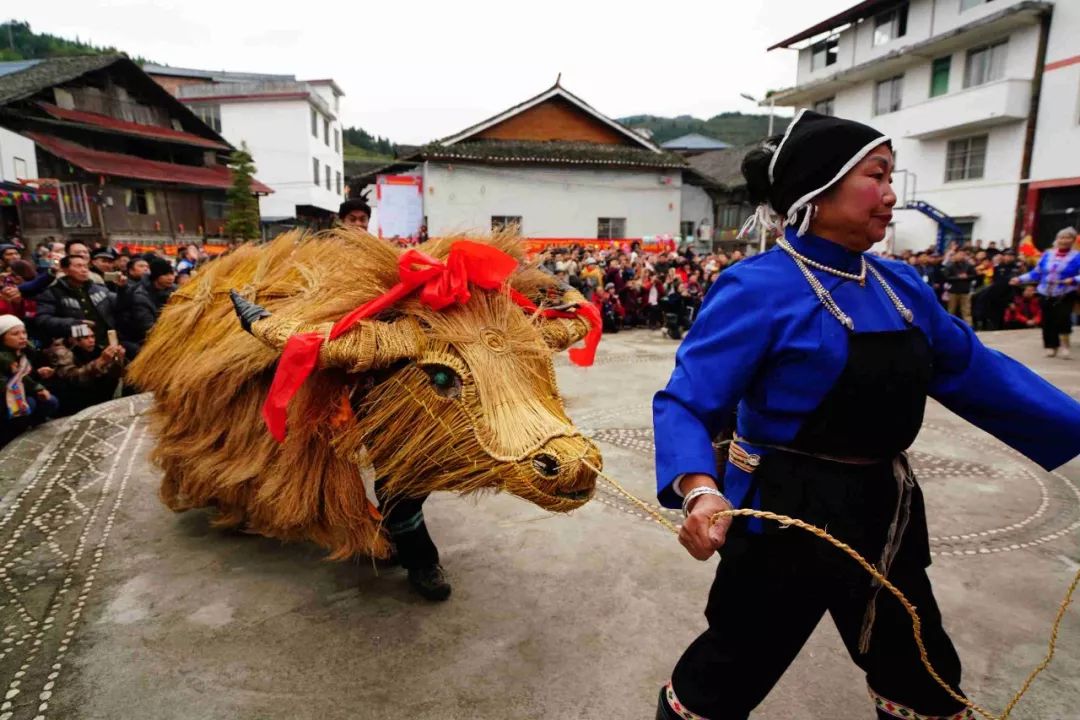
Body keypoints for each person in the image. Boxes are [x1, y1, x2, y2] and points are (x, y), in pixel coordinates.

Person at [652, 110, 1080, 720]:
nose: (891, 194)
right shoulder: (757, 286)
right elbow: (687, 402)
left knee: (920, 663)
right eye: (877, 175)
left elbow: (978, 372)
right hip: (785, 509)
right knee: (735, 660)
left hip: (885, 505)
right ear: (817, 192)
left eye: (890, 175)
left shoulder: (901, 285)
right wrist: (699, 490)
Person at [1011, 227, 1080, 357]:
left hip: (1065, 293)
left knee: (1063, 319)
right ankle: (1051, 346)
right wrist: (1019, 279)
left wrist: (1073, 279)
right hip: (1045, 292)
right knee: (1048, 320)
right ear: (1057, 239)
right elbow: (1037, 273)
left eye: (1068, 238)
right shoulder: (1048, 254)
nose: (1064, 240)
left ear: (1073, 240)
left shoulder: (1077, 257)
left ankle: (1065, 345)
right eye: (1061, 237)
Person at [0, 314, 59, 447]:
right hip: (5, 399)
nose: (22, 337)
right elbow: (9, 382)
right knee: (28, 404)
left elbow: (23, 377)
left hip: (22, 391)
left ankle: (32, 429)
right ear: (2, 338)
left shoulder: (23, 352)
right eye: (15, 334)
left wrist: (38, 374)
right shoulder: (4, 359)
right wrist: (36, 387)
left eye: (24, 332)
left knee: (50, 401)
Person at [35, 255, 117, 349]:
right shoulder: (52, 292)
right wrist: (73, 323)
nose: (84, 270)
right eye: (79, 266)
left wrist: (123, 288)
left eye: (86, 266)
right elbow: (42, 320)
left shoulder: (99, 289)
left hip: (105, 342)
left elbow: (120, 304)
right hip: (73, 345)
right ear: (65, 270)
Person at [43, 323, 125, 416]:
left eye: (93, 336)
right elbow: (74, 378)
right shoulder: (60, 352)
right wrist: (101, 361)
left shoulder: (98, 349)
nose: (91, 341)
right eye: (86, 338)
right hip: (72, 399)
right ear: (75, 340)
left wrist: (118, 361)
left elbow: (114, 376)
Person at [943, 249, 974, 324]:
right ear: (955, 255)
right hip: (953, 291)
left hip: (965, 291)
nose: (961, 256)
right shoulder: (950, 265)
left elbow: (974, 275)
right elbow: (946, 277)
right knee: (951, 310)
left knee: (966, 311)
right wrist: (958, 277)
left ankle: (969, 327)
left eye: (963, 255)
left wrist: (967, 277)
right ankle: (950, 326)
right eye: (960, 254)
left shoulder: (968, 265)